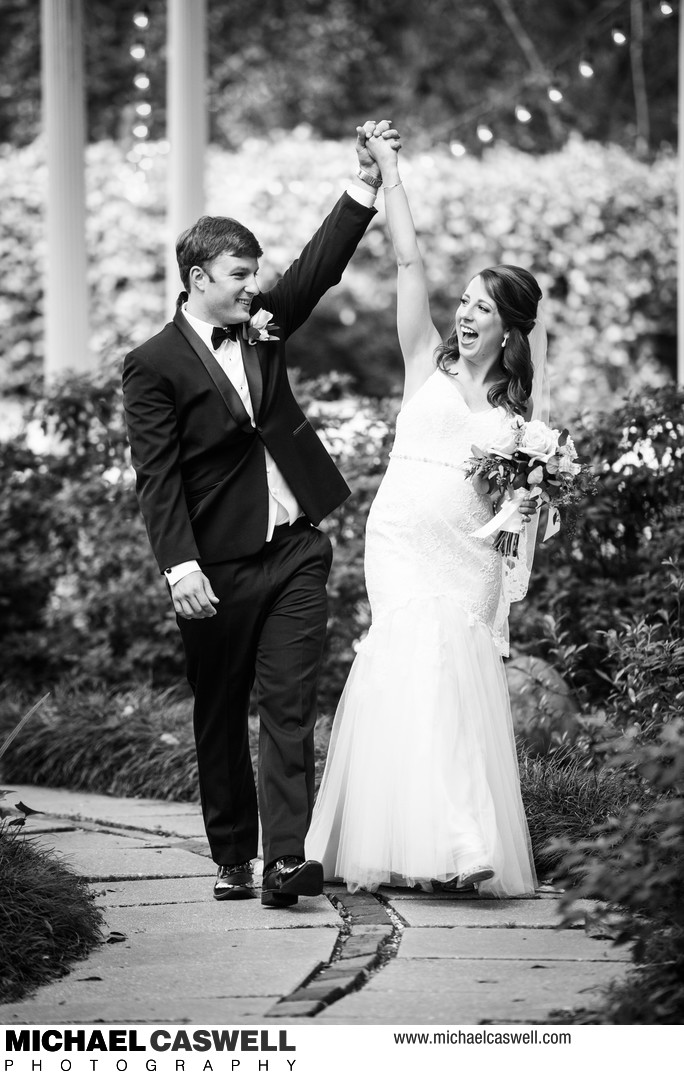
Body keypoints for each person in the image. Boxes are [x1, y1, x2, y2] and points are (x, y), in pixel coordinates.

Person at [122, 121, 400, 906]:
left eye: (257, 274)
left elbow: (317, 268)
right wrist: (179, 565)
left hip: (297, 550)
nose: (255, 286)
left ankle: (285, 861)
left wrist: (365, 186)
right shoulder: (152, 365)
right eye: (241, 275)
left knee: (288, 705)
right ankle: (234, 854)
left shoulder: (264, 325)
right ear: (199, 275)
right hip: (213, 567)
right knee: (219, 713)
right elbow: (158, 475)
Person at [306, 126, 546, 898]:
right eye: (466, 303)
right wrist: (392, 173)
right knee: (413, 663)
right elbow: (408, 259)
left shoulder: (519, 419)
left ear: (510, 329)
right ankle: (452, 838)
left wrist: (527, 501)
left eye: (484, 309)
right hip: (404, 543)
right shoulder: (423, 363)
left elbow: (514, 509)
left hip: (468, 558)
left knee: (443, 682)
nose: (468, 315)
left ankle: (432, 839)